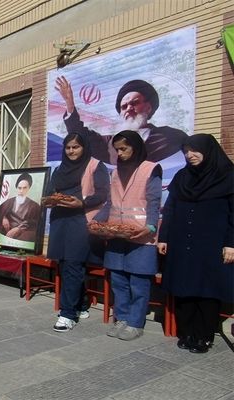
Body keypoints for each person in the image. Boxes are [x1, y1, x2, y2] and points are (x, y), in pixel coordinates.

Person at [157, 134, 234, 353]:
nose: (189, 155)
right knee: (184, 288)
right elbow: (170, 208)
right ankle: (187, 332)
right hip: (182, 242)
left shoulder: (227, 176)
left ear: (208, 150)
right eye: (186, 151)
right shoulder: (182, 177)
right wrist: (164, 237)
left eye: (194, 150)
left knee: (207, 290)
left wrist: (231, 243)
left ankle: (204, 336)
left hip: (212, 243)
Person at [93, 130, 162, 341]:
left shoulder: (150, 169)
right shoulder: (115, 172)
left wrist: (150, 227)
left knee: (138, 282)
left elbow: (154, 201)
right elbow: (110, 203)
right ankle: (121, 318)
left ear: (135, 146)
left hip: (141, 236)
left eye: (124, 148)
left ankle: (135, 322)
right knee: (118, 280)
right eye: (117, 150)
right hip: (117, 235)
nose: (120, 153)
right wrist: (96, 221)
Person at [43, 133, 109, 332]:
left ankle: (67, 314)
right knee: (65, 264)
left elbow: (103, 193)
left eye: (75, 147)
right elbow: (49, 191)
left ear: (84, 148)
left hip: (80, 220)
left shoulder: (96, 165)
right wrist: (48, 200)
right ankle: (81, 304)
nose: (71, 151)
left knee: (73, 262)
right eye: (68, 147)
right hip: (59, 219)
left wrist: (82, 202)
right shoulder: (59, 169)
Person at [55, 76, 188, 164]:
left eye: (134, 103)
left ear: (148, 107)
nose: (129, 109)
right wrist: (69, 105)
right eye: (124, 107)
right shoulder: (109, 143)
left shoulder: (171, 136)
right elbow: (80, 135)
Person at [0, 172, 41, 242]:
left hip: (22, 231)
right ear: (16, 188)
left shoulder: (34, 206)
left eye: (25, 188)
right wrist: (4, 218)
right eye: (19, 188)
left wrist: (18, 229)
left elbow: (33, 222)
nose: (21, 191)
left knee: (28, 236)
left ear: (29, 188)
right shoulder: (9, 202)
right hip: (7, 229)